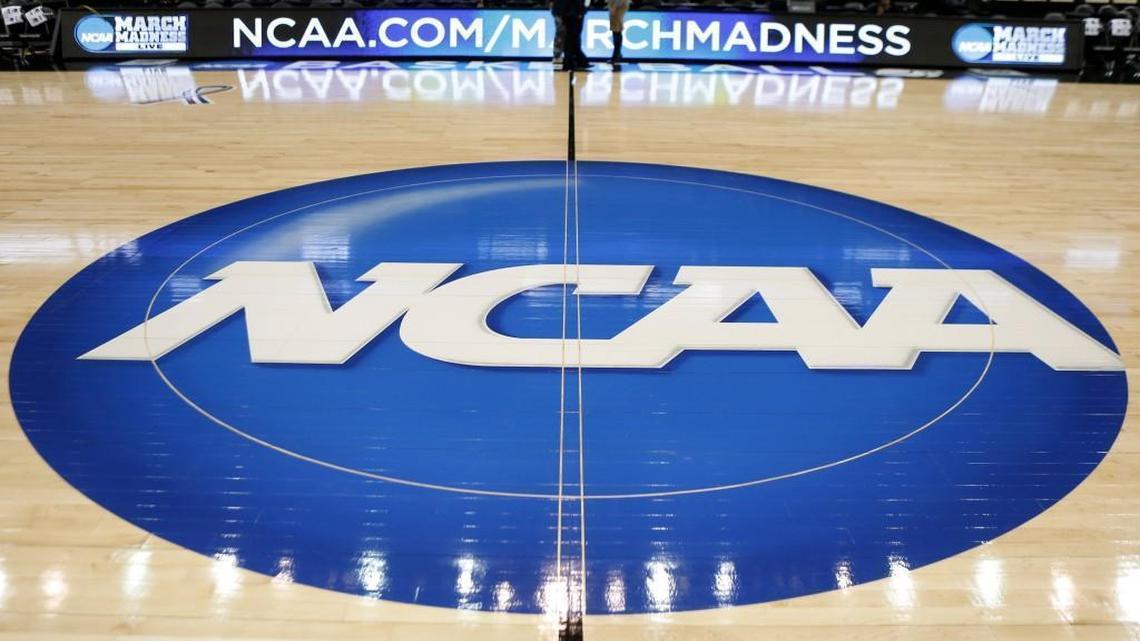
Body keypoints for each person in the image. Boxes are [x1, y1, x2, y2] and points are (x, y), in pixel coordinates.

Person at [553, 0, 589, 69]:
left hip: (573, 10)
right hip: (568, 11)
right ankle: (570, 60)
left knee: (573, 36)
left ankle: (576, 60)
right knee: (569, 36)